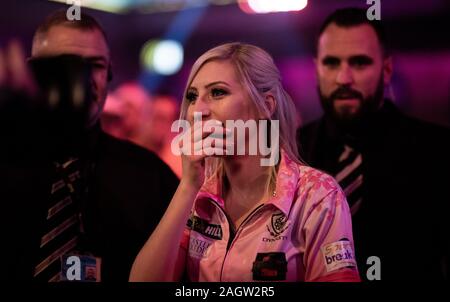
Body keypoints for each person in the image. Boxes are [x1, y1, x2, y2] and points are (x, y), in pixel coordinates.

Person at [129, 42, 360, 282]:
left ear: (265, 107)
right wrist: (188, 185)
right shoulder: (198, 196)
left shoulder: (316, 194)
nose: (198, 110)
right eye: (192, 96)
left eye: (217, 92)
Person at [0, 11, 179, 281]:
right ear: (34, 69)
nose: (82, 80)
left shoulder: (151, 177)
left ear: (109, 71)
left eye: (94, 65)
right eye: (66, 65)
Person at [297, 8, 450, 280]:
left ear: (387, 69)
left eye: (359, 63)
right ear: (316, 68)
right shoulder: (292, 154)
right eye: (331, 63)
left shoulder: (439, 152)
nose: (344, 78)